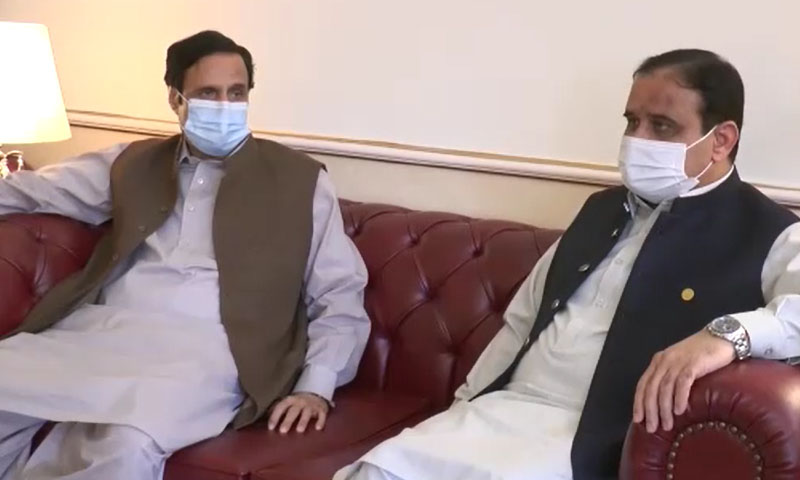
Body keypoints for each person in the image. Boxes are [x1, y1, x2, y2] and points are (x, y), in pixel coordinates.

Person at [335, 49, 800, 480]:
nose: (636, 140)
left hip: (593, 434)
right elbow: (522, 320)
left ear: (721, 140)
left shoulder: (768, 230)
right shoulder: (601, 210)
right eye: (631, 121)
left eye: (661, 126)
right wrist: (463, 405)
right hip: (502, 410)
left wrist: (725, 336)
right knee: (376, 470)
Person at [0, 30, 370, 480]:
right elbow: (38, 191)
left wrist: (316, 386)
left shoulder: (301, 180)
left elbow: (339, 293)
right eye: (208, 93)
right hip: (104, 331)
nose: (225, 105)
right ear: (176, 99)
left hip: (212, 351)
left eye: (237, 93)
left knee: (128, 444)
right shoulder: (134, 163)